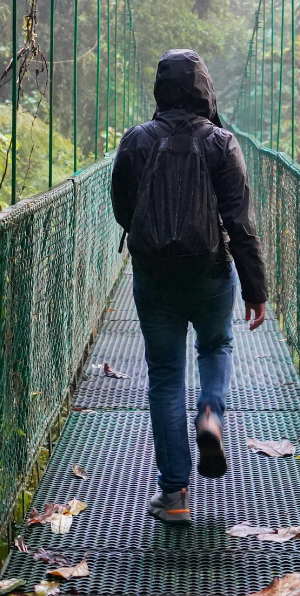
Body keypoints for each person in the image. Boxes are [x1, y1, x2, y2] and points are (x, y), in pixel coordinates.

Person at [111, 49, 268, 524]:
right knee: (216, 346)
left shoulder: (136, 141)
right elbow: (239, 224)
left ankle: (175, 495)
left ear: (161, 88)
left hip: (153, 274)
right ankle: (210, 414)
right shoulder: (222, 143)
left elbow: (123, 208)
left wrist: (151, 236)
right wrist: (255, 289)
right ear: (205, 88)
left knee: (163, 377)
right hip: (210, 272)